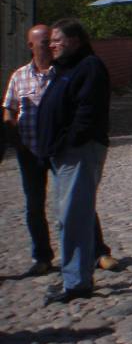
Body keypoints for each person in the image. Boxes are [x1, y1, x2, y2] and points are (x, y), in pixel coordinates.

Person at [2, 25, 117, 279]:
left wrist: (69, 140)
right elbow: (9, 108)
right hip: (30, 149)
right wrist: (15, 139)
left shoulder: (65, 70)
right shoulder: (20, 76)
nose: (50, 46)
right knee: (35, 205)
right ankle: (43, 256)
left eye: (52, 40)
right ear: (31, 46)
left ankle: (97, 253)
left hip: (60, 148)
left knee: (76, 202)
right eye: (44, 42)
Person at [35, 19, 112, 304]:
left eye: (58, 40)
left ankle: (77, 282)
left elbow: (87, 111)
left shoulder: (88, 67)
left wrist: (68, 142)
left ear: (75, 41)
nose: (52, 45)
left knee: (74, 217)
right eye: (51, 41)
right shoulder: (65, 69)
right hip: (63, 153)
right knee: (66, 216)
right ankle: (74, 274)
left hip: (78, 151)